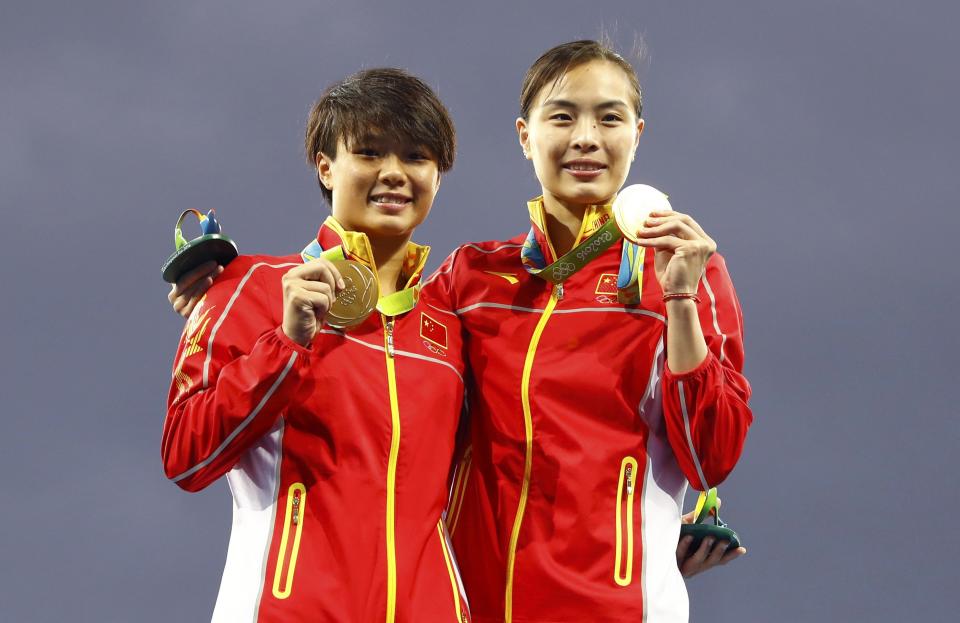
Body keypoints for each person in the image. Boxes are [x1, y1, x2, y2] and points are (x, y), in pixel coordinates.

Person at [169, 40, 752, 622]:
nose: (585, 137)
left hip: (614, 605)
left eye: (609, 117)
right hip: (466, 604)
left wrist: (679, 299)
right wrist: (227, 294)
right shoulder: (469, 283)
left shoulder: (684, 271)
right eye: (562, 116)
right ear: (526, 136)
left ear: (637, 134)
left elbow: (707, 458)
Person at [162, 68, 471, 622]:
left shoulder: (450, 327)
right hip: (285, 608)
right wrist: (287, 344)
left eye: (417, 157)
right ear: (327, 167)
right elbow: (185, 455)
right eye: (371, 152)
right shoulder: (250, 286)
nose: (394, 174)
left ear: (439, 175)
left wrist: (672, 526)